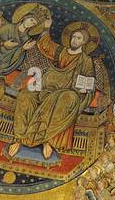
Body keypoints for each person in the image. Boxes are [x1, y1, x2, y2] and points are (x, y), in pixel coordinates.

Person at [7, 20, 98, 160]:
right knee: (26, 94)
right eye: (74, 37)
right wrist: (46, 28)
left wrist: (85, 90)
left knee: (67, 98)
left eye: (79, 38)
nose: (75, 40)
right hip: (47, 87)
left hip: (67, 92)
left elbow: (89, 80)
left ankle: (46, 140)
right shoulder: (61, 51)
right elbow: (45, 45)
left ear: (84, 42)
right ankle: (19, 138)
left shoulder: (86, 60)